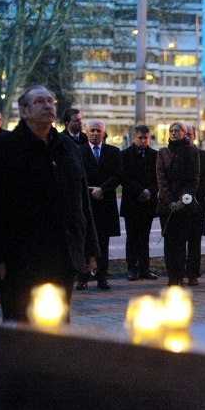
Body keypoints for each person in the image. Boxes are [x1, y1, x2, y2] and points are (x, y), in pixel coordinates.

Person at [0, 85, 99, 322]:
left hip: (63, 254)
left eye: (51, 101)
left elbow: (82, 202)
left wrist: (89, 248)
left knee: (56, 327)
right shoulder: (3, 148)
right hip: (20, 257)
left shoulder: (67, 147)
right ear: (23, 111)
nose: (48, 106)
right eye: (40, 102)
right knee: (20, 326)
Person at [78, 119, 123, 290]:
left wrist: (102, 188)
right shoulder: (78, 151)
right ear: (87, 132)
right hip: (86, 204)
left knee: (103, 243)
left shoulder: (113, 152)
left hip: (105, 204)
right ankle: (83, 277)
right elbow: (76, 174)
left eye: (98, 130)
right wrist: (91, 189)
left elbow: (118, 174)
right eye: (92, 130)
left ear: (104, 133)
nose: (95, 133)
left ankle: (102, 277)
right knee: (85, 242)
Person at [156, 122, 202, 286]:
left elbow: (194, 179)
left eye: (177, 131)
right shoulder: (163, 152)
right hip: (167, 205)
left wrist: (182, 201)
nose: (174, 133)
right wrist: (170, 202)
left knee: (181, 242)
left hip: (185, 205)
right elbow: (161, 179)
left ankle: (180, 276)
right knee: (169, 242)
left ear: (184, 134)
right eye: (171, 131)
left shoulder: (192, 152)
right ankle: (172, 277)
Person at [120, 125, 159, 281]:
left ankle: (144, 268)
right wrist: (139, 191)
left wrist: (150, 191)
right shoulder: (124, 155)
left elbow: (158, 177)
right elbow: (123, 178)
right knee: (132, 237)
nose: (143, 141)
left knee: (144, 237)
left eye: (146, 138)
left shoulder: (155, 155)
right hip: (132, 202)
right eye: (140, 138)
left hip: (148, 202)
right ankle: (132, 268)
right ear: (133, 137)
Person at [187, 125, 205, 282]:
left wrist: (194, 191)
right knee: (179, 240)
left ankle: (193, 272)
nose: (187, 137)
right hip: (180, 204)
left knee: (195, 241)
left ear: (195, 136)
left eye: (190, 134)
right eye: (185, 134)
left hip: (198, 203)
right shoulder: (172, 155)